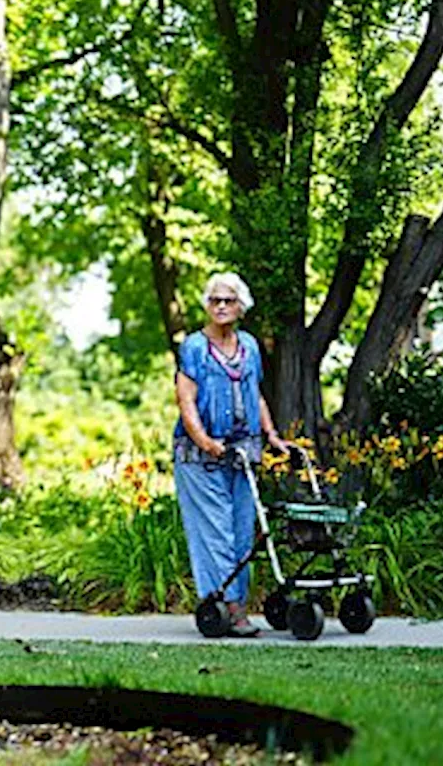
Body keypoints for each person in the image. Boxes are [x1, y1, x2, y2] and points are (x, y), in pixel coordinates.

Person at [174, 272, 287, 637]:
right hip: (200, 454)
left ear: (242, 307)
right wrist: (204, 439)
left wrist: (271, 435)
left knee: (242, 531)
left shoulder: (249, 346)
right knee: (216, 531)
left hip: (243, 452)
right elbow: (185, 399)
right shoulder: (194, 346)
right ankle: (229, 608)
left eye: (229, 300)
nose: (221, 306)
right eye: (215, 300)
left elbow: (255, 395)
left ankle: (232, 604)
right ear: (207, 306)